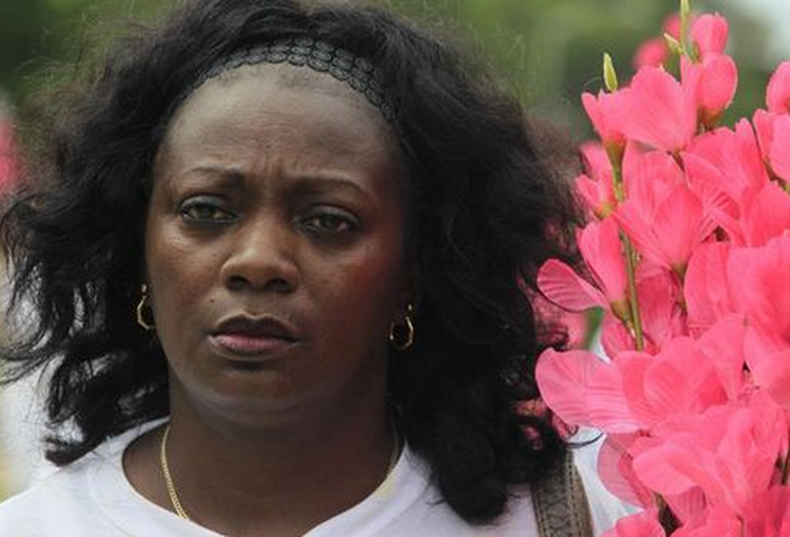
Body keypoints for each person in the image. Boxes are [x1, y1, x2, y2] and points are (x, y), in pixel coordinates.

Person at [0, 0, 631, 535]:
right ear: (138, 250)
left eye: (328, 220)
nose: (257, 262)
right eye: (205, 210)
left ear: (412, 272)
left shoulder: (563, 520)